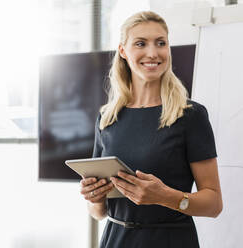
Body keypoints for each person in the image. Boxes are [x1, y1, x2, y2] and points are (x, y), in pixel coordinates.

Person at [79, 11, 223, 248]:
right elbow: (98, 212)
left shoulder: (189, 115)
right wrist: (95, 198)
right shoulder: (107, 117)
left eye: (161, 43)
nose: (153, 53)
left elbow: (214, 203)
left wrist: (166, 196)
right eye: (140, 44)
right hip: (115, 240)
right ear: (123, 51)